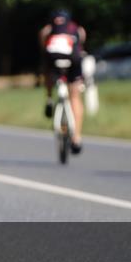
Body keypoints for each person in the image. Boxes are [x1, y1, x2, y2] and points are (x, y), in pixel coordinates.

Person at [39, 8, 87, 154]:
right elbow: (81, 42)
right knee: (75, 97)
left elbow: (43, 42)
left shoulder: (48, 29)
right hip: (74, 61)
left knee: (47, 72)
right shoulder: (76, 28)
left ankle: (48, 98)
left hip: (53, 60)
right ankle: (77, 138)